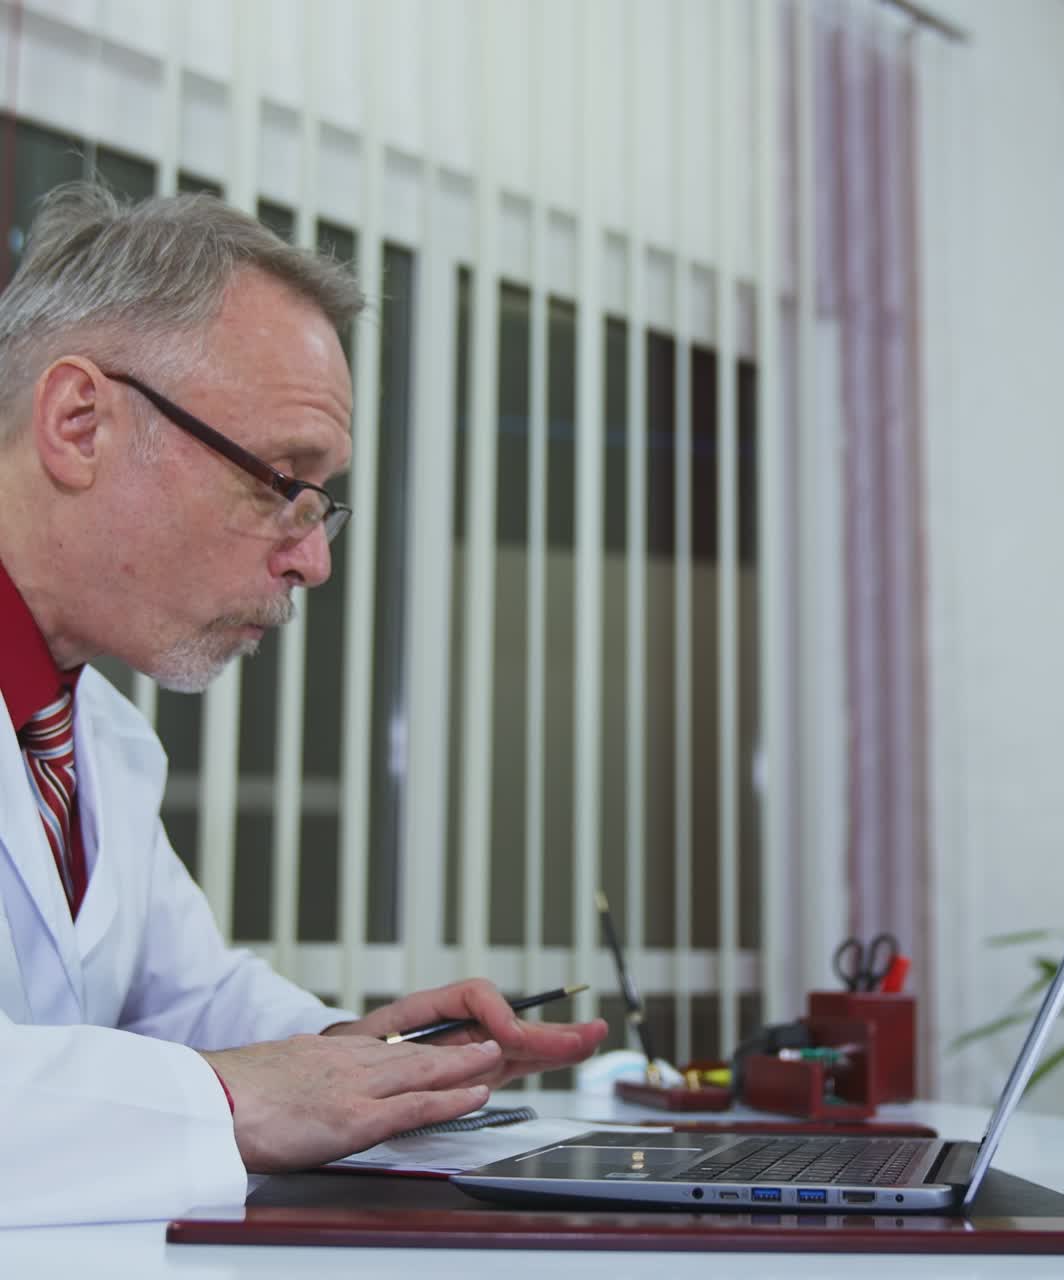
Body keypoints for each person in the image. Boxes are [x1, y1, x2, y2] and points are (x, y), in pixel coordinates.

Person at [0, 184, 608, 1227]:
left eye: (325, 502)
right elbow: (209, 1077)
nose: (315, 559)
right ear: (79, 421)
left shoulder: (94, 739)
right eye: (281, 478)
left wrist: (364, 1058)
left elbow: (184, 999)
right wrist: (235, 1098)